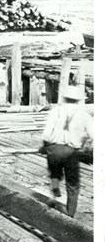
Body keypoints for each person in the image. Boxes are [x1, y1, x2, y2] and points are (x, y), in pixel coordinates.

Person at [40, 85, 93, 217]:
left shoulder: (54, 112)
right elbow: (94, 135)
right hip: (71, 152)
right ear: (78, 100)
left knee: (55, 173)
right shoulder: (84, 115)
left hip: (54, 149)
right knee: (72, 183)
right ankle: (70, 213)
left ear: (64, 98)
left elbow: (46, 135)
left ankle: (54, 194)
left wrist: (44, 147)